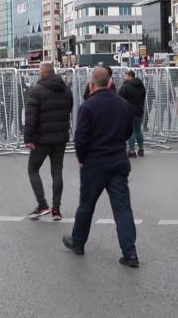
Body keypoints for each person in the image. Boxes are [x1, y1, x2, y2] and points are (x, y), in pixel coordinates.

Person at [63, 67, 138, 267]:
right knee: (122, 210)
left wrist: (81, 158)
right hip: (118, 162)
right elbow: (128, 131)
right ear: (110, 83)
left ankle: (78, 242)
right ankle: (130, 253)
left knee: (86, 206)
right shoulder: (123, 105)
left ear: (91, 83)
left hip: (94, 164)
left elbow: (81, 138)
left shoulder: (88, 107)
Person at [24, 62, 74, 221]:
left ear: (43, 73)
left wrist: (28, 138)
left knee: (33, 169)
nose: (38, 73)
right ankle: (56, 210)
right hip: (60, 138)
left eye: (39, 71)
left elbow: (31, 117)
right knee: (57, 172)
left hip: (42, 138)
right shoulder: (66, 90)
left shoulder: (37, 90)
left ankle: (42, 204)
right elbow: (69, 109)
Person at [118, 70, 146, 158]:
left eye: (125, 76)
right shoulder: (141, 86)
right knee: (138, 130)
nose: (124, 77)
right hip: (139, 111)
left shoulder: (125, 87)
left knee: (131, 132)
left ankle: (132, 151)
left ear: (130, 76)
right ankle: (141, 150)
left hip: (129, 112)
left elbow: (119, 99)